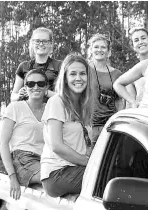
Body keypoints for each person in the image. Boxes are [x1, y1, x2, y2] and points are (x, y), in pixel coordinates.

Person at [40, 54, 93, 197]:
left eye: (83, 73)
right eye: (73, 74)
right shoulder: (57, 101)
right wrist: (89, 163)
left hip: (76, 169)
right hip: (56, 173)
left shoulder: (84, 106)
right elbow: (57, 146)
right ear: (65, 78)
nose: (78, 78)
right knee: (105, 177)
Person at [0, 69, 48, 200]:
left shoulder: (51, 108)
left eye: (40, 83)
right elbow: (3, 144)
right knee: (52, 178)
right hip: (23, 158)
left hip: (47, 158)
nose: (36, 87)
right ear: (25, 87)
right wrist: (12, 177)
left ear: (46, 87)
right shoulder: (15, 108)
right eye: (31, 84)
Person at [88, 34, 123, 145]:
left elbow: (119, 101)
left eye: (103, 47)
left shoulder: (116, 73)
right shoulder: (84, 69)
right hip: (89, 125)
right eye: (96, 47)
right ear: (90, 50)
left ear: (109, 52)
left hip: (110, 124)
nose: (99, 50)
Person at [11, 27, 62, 102]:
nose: (41, 44)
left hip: (52, 110)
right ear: (32, 43)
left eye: (45, 41)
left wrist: (45, 92)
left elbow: (65, 97)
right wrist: (19, 95)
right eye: (37, 41)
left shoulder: (60, 66)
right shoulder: (23, 66)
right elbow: (13, 97)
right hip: (27, 111)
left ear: (51, 44)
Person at [126, 27, 148, 107]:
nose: (140, 42)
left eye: (143, 38)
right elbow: (130, 106)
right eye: (136, 40)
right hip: (143, 116)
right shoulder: (131, 74)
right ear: (133, 47)